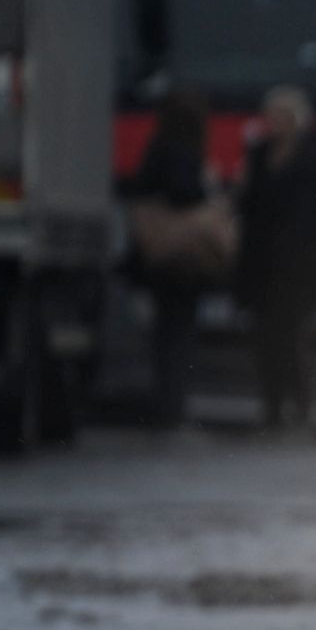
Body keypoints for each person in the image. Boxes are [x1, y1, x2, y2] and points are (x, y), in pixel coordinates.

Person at [235, 86, 316, 431]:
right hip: (262, 263)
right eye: (273, 116)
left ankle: (299, 405)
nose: (277, 122)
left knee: (291, 338)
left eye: (284, 116)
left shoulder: (313, 157)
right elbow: (248, 202)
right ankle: (271, 406)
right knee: (264, 340)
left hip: (299, 265)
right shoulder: (258, 154)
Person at [119, 83, 226, 429]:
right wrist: (206, 188)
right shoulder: (182, 151)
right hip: (181, 259)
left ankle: (166, 404)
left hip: (160, 256)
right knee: (178, 334)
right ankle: (172, 408)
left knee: (166, 333)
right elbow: (183, 194)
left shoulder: (157, 147)